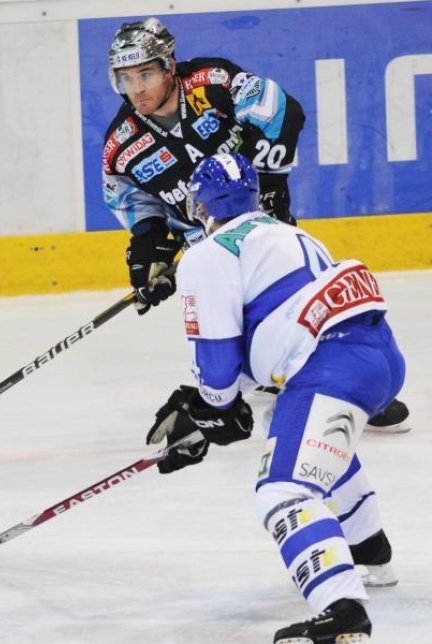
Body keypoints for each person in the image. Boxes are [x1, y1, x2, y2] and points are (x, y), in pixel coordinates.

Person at [102, 16, 410, 433]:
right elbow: (129, 198)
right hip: (207, 244)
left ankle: (349, 384)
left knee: (303, 299)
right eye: (126, 78)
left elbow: (282, 111)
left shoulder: (212, 82)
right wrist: (148, 244)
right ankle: (241, 388)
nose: (137, 88)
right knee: (225, 320)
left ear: (168, 66)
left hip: (262, 225)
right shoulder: (121, 144)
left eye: (145, 74)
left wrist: (268, 181)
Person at [146, 151, 404, 643]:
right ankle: (370, 551)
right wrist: (206, 411)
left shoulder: (207, 254)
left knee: (283, 491)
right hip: (379, 357)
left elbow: (219, 361)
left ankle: (343, 612)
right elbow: (279, 328)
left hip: (330, 368)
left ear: (201, 205)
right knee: (295, 435)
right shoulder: (287, 233)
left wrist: (212, 408)